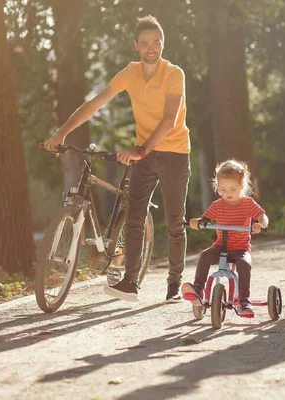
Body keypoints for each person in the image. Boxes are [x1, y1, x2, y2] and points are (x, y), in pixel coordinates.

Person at [43, 15, 191, 302]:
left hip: (174, 153)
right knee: (134, 217)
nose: (151, 48)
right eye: (145, 43)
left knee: (175, 222)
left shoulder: (174, 73)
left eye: (156, 42)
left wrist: (141, 150)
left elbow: (169, 120)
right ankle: (130, 283)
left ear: (163, 44)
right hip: (144, 154)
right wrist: (60, 134)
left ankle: (175, 284)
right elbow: (95, 104)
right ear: (136, 46)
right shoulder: (130, 73)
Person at [181, 160, 269, 317]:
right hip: (220, 246)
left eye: (233, 188)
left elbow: (262, 216)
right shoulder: (218, 205)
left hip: (240, 249)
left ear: (242, 186)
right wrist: (197, 223)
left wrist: (260, 224)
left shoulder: (248, 203)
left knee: (244, 264)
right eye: (222, 189)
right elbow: (205, 220)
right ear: (217, 187)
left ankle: (243, 299)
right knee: (205, 255)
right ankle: (198, 290)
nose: (228, 192)